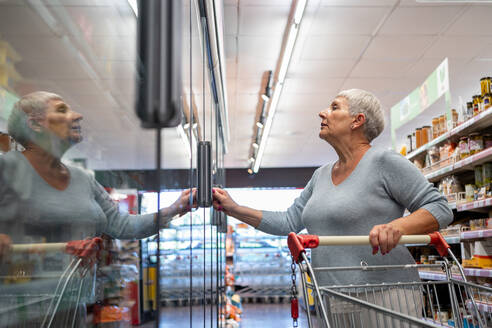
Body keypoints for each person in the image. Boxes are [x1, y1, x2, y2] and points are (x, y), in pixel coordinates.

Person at [212, 89, 453, 327]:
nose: (322, 113)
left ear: (357, 120)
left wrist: (398, 226)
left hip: (385, 295)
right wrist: (234, 208)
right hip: (333, 295)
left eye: (334, 107)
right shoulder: (321, 175)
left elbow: (440, 207)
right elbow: (289, 221)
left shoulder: (384, 162)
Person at [0, 91, 196, 326]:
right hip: (15, 313)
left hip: (71, 312)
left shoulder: (82, 178)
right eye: (62, 110)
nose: (78, 115)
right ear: (35, 124)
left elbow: (122, 225)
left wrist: (173, 209)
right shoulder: (6, 169)